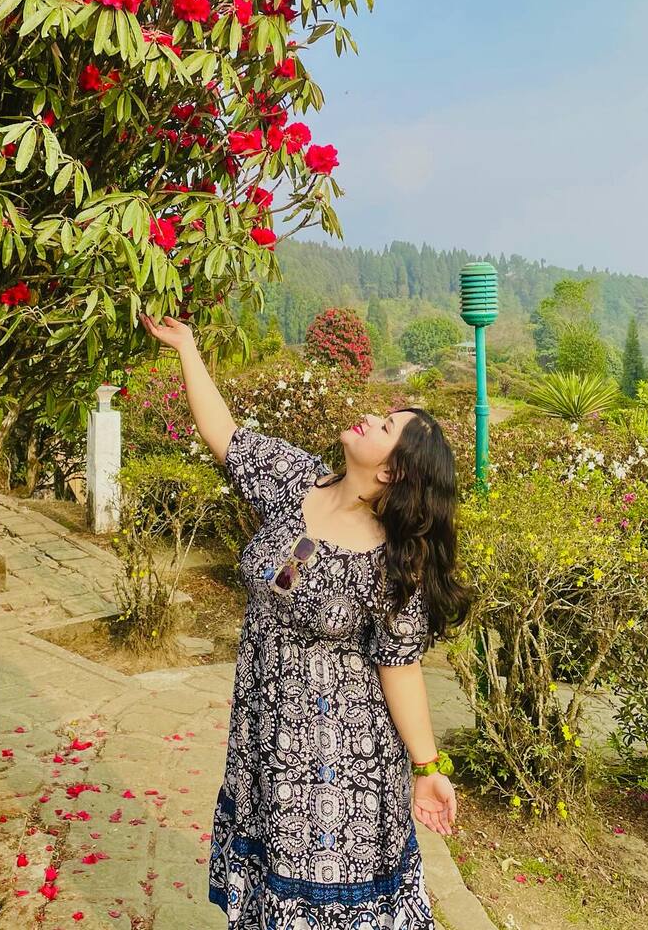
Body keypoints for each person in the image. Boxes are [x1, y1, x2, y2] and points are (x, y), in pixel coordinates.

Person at [142, 312, 467, 929]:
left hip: (337, 761)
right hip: (267, 738)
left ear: (395, 471)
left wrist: (427, 769)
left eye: (387, 426)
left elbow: (400, 668)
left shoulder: (394, 562)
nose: (371, 418)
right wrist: (186, 346)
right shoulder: (296, 483)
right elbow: (226, 436)